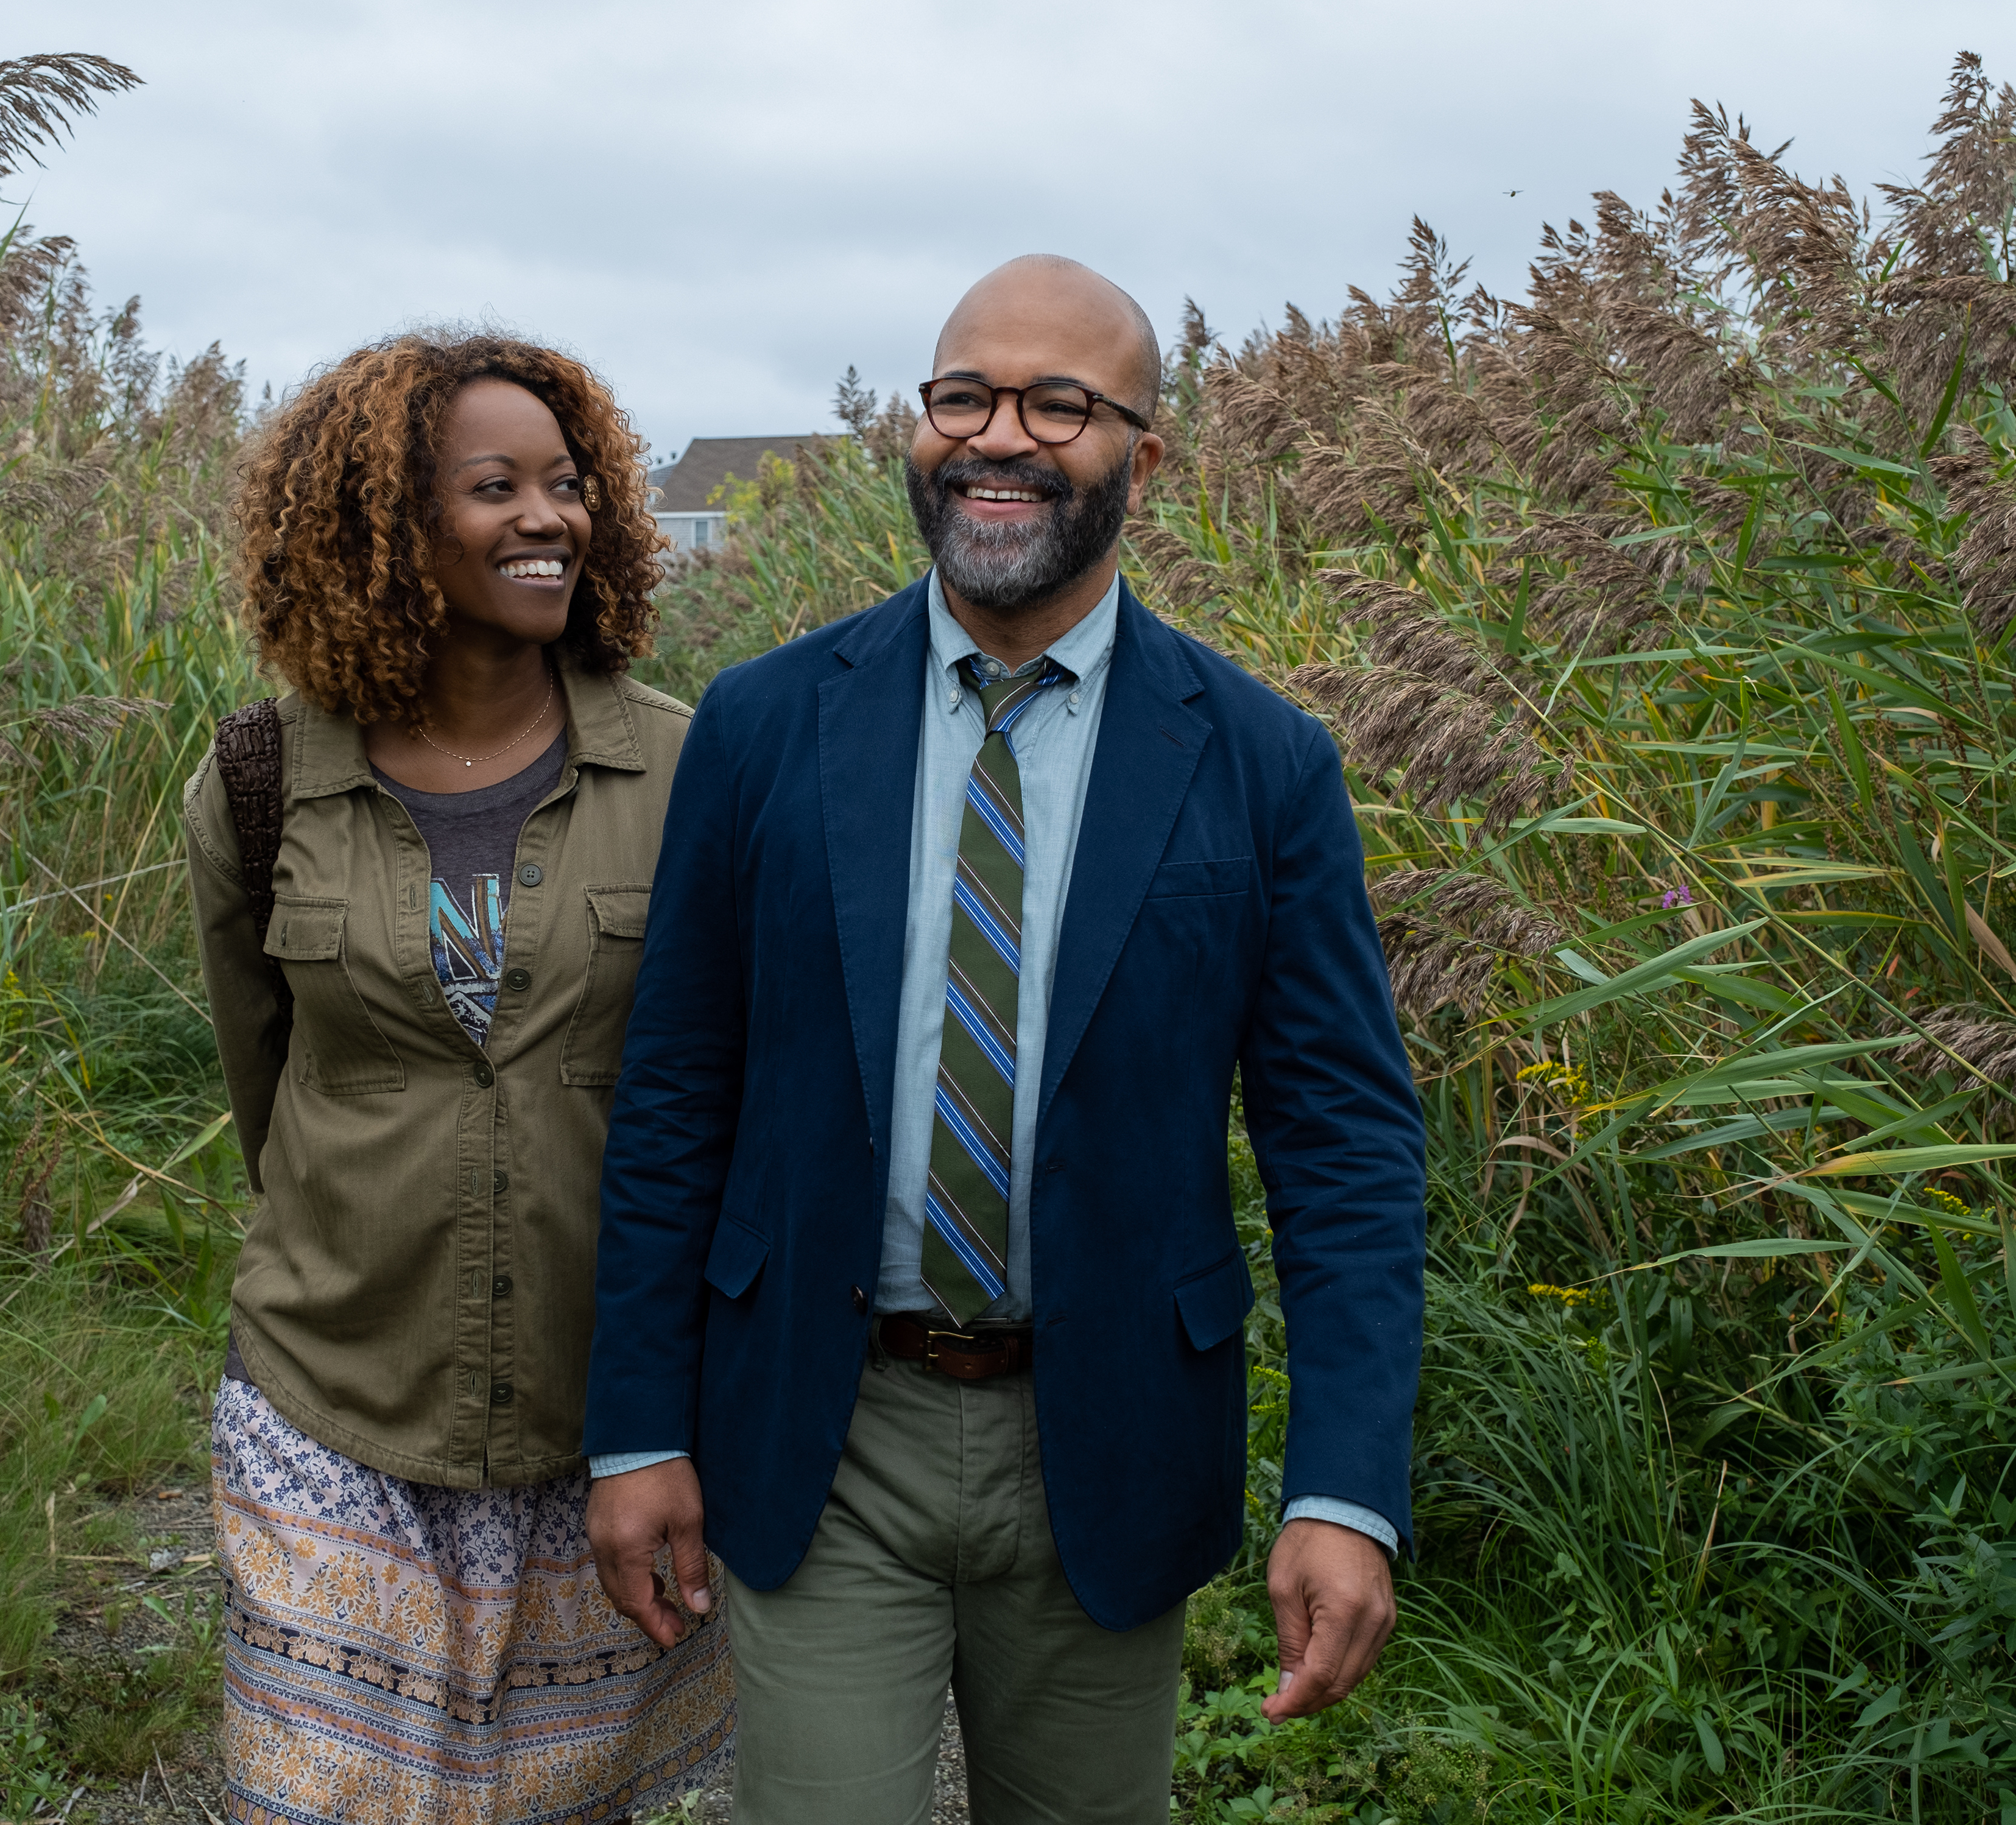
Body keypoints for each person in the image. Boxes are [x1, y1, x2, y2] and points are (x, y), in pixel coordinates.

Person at [580, 256, 1426, 1823]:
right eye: (963, 394)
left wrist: (1345, 1485)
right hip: (825, 1427)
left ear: (1144, 458)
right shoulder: (765, 724)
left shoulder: (1258, 762)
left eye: (1061, 403)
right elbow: (678, 1091)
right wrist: (634, 1423)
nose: (999, 437)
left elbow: (1345, 1144)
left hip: (1104, 1431)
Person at [185, 329, 733, 1825]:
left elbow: (721, 1097)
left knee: (560, 1806)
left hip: (596, 1414)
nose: (546, 517)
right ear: (383, 523)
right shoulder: (259, 779)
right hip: (330, 1395)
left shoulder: (693, 773)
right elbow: (269, 1079)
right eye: (496, 486)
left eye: (568, 484)